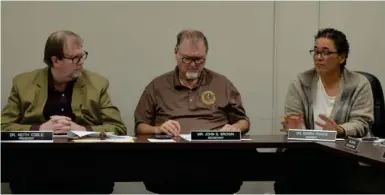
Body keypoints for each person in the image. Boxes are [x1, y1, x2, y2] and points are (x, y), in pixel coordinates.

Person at [1, 30, 127, 194]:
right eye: (75, 58)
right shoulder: (23, 83)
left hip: (86, 166)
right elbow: (3, 127)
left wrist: (83, 131)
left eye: (83, 56)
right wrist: (39, 130)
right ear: (55, 60)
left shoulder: (98, 84)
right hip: (34, 165)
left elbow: (118, 128)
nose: (81, 62)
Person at [134, 29, 250, 193]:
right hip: (171, 161)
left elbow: (244, 121)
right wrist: (158, 129)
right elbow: (140, 127)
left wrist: (234, 128)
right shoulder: (157, 86)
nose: (194, 65)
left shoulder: (221, 83)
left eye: (199, 60)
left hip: (216, 159)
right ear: (176, 53)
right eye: (187, 59)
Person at [275, 28, 374, 194]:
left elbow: (362, 122)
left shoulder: (359, 83)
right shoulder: (300, 81)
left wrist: (339, 130)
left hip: (342, 153)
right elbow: (293, 118)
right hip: (306, 152)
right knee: (293, 170)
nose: (318, 57)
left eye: (326, 53)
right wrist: (294, 128)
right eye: (316, 51)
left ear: (342, 57)